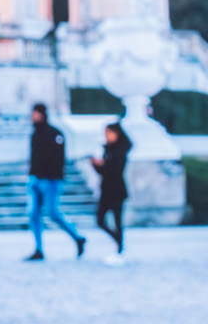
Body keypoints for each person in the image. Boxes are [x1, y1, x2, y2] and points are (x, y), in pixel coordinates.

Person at [25, 102, 86, 261]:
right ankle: (39, 248)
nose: (33, 116)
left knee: (53, 213)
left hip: (50, 181)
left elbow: (58, 160)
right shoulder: (35, 134)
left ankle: (77, 237)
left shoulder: (54, 134)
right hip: (35, 179)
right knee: (34, 214)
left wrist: (51, 177)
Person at [91, 121, 132, 263]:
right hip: (106, 189)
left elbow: (115, 170)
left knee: (117, 220)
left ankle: (120, 246)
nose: (106, 136)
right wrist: (95, 165)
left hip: (117, 190)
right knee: (100, 219)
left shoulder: (121, 150)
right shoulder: (108, 149)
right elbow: (103, 172)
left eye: (108, 133)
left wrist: (104, 164)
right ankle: (117, 240)